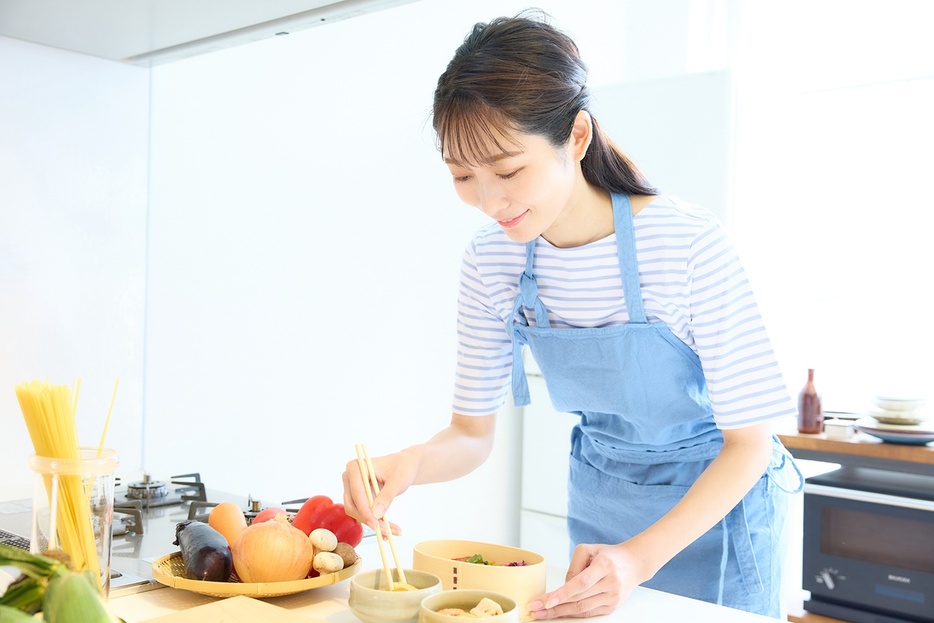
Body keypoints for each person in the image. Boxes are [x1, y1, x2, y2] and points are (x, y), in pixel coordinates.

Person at [342, 10, 803, 620]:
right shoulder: (492, 262)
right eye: (461, 176)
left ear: (577, 138)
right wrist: (410, 465)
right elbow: (471, 436)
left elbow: (750, 444)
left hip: (715, 514)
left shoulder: (685, 244)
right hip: (602, 501)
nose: (488, 201)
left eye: (508, 171)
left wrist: (638, 559)